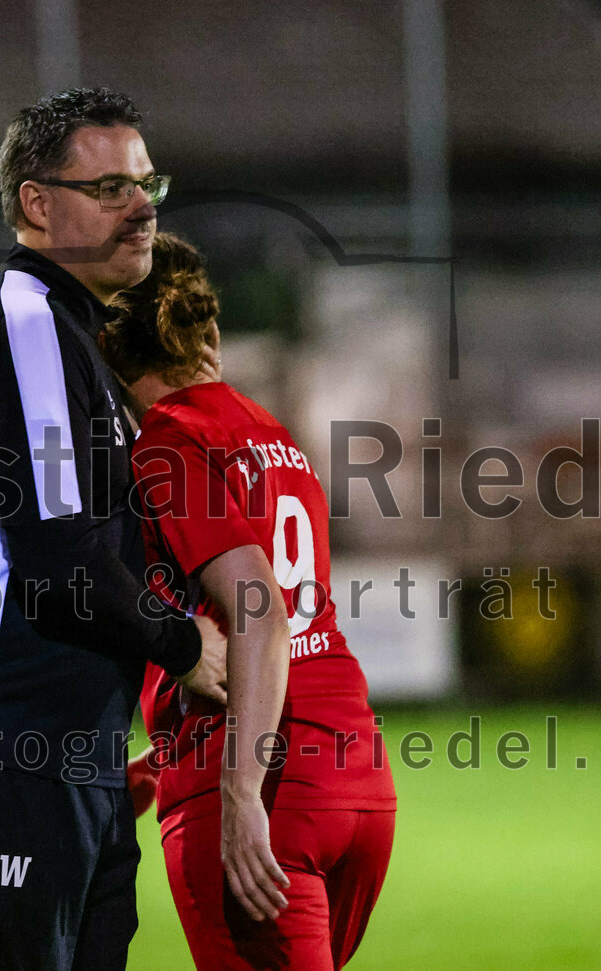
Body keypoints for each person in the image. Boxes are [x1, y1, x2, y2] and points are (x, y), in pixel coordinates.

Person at [0, 89, 226, 970]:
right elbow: (60, 553)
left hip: (67, 758)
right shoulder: (24, 322)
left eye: (150, 184)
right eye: (111, 188)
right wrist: (186, 648)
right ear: (37, 204)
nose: (142, 207)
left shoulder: (72, 343)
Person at [101, 233, 397, 970]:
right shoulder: (269, 432)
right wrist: (152, 763)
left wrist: (240, 794)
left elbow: (258, 613)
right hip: (354, 777)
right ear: (210, 333)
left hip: (260, 781)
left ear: (108, 347)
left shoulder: (165, 443)